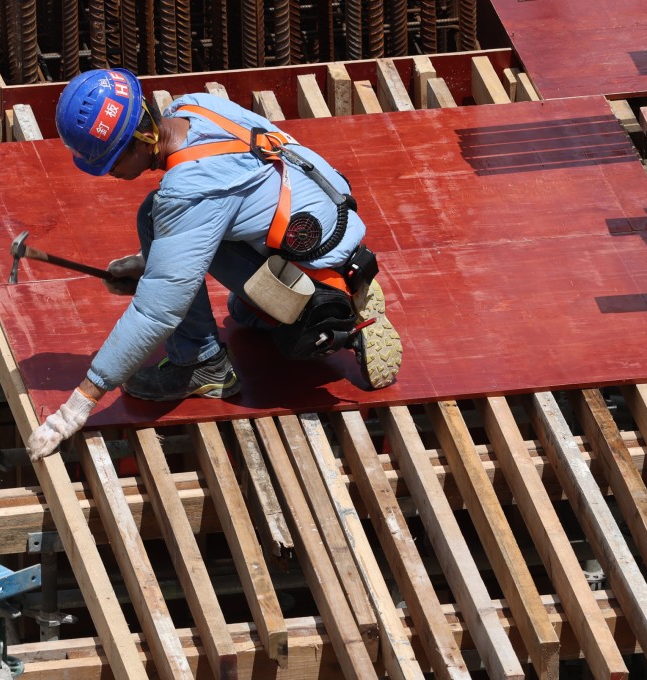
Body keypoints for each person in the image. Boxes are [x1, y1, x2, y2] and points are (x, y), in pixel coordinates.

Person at [28, 68, 402, 460]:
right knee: (234, 302)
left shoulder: (187, 192)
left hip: (313, 284)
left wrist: (74, 409)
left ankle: (204, 363)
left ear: (140, 141)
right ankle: (344, 291)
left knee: (157, 215)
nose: (112, 176)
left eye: (110, 164)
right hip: (336, 237)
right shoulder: (194, 107)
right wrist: (151, 266)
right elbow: (233, 194)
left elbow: (157, 313)